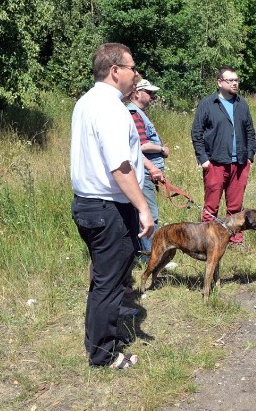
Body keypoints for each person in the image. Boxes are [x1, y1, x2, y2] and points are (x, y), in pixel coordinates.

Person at [70, 43, 154, 369]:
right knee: (108, 284)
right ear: (115, 70)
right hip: (109, 208)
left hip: (88, 204)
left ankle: (99, 344)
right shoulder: (110, 107)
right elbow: (119, 167)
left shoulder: (86, 102)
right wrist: (143, 207)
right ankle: (103, 356)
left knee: (103, 281)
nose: (136, 73)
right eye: (132, 67)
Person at [191, 66, 256, 243]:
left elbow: (250, 130)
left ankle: (235, 239)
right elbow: (196, 132)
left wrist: (250, 155)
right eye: (230, 80)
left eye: (236, 80)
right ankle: (207, 239)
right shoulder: (208, 103)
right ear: (219, 82)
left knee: (235, 206)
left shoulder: (241, 104)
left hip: (240, 163)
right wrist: (203, 159)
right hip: (215, 162)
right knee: (211, 204)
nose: (235, 83)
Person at [126, 79, 175, 269]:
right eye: (149, 92)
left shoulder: (139, 114)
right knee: (149, 216)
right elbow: (141, 145)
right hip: (145, 173)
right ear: (137, 92)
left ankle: (145, 255)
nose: (153, 97)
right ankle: (151, 259)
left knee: (144, 214)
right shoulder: (134, 114)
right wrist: (162, 149)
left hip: (148, 172)